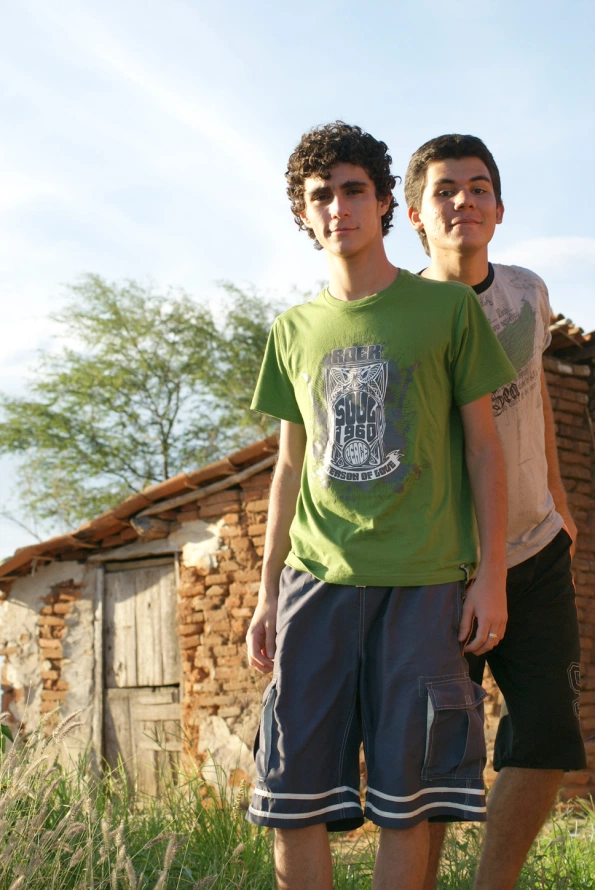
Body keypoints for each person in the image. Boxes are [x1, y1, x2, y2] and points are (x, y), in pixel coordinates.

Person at [245, 121, 516, 890]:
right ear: (303, 214)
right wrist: (266, 593)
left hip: (423, 582)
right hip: (314, 582)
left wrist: (489, 576)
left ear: (386, 201)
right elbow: (289, 465)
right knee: (291, 792)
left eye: (353, 190)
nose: (338, 208)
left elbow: (482, 451)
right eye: (320, 196)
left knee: (410, 799)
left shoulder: (446, 311)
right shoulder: (292, 330)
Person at [404, 133, 587, 890]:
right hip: (441, 566)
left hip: (535, 551)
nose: (464, 201)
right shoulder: (401, 314)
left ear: (500, 208)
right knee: (433, 755)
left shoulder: (528, 293)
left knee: (545, 737)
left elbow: (535, 401)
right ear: (415, 216)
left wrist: (560, 505)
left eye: (478, 187)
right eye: (444, 190)